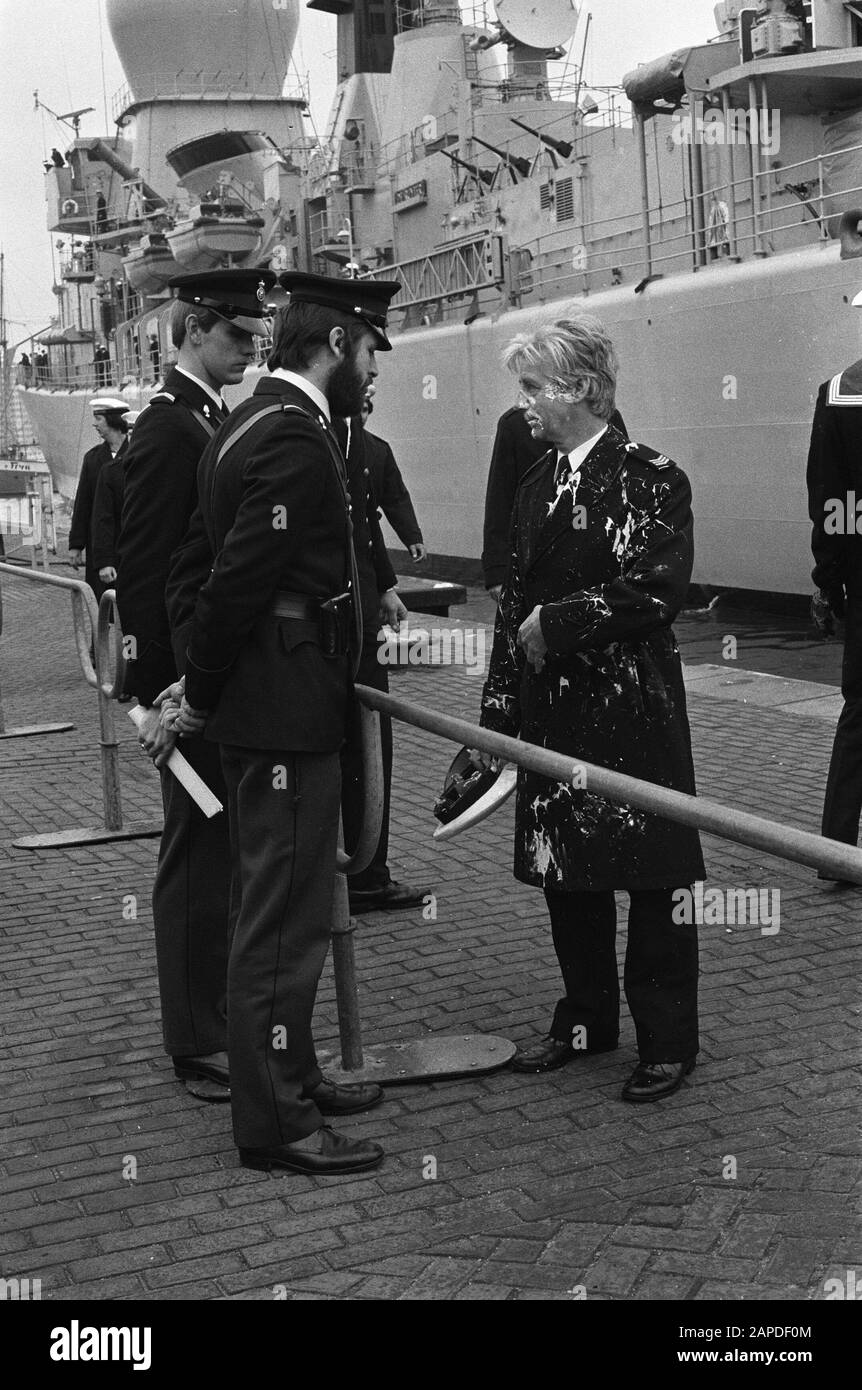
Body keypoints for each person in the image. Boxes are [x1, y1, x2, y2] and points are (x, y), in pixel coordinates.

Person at [167, 271, 401, 1176]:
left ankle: (293, 1072)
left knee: (274, 909)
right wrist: (208, 685)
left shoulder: (242, 423)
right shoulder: (298, 439)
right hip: (285, 716)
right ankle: (279, 1125)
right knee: (282, 924)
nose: (376, 364)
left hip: (266, 706)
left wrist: (208, 680)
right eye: (372, 346)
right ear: (337, 342)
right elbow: (231, 584)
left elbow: (193, 567)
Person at [475, 313, 705, 1103]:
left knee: (653, 880)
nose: (524, 404)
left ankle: (668, 1042)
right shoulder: (538, 483)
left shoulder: (652, 476)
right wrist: (493, 725)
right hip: (553, 716)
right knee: (567, 876)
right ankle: (584, 1023)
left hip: (631, 711)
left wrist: (563, 622)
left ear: (578, 389)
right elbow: (512, 616)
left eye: (533, 387)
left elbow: (657, 592)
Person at [117, 268, 273, 1103]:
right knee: (195, 857)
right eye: (236, 336)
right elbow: (144, 574)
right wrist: (156, 699)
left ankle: (211, 1020)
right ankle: (194, 1039)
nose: (249, 349)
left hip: (203, 681)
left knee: (220, 857)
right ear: (193, 330)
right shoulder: (171, 430)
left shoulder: (208, 418)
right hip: (184, 691)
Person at [338, 398, 429, 914]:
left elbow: (366, 520)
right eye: (366, 360)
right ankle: (361, 877)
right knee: (364, 747)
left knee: (369, 748)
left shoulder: (358, 442)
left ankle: (363, 871)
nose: (372, 378)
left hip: (356, 613)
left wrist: (386, 586)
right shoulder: (324, 434)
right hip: (337, 626)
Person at [806, 318, 862, 867]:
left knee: (858, 716)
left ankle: (836, 848)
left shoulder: (840, 392)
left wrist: (830, 582)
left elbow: (829, 500)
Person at [482, 401, 627, 601]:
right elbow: (501, 498)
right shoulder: (516, 425)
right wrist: (497, 571)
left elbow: (623, 492)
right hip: (539, 563)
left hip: (597, 560)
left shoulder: (605, 418)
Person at [68, 397, 130, 601]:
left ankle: (129, 636)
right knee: (104, 609)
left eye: (98, 418)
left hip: (130, 542)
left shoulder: (139, 454)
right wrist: (76, 545)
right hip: (101, 544)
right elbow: (83, 503)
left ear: (113, 420)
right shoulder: (93, 459)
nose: (94, 424)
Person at [362, 397, 426, 562]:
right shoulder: (326, 443)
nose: (360, 417)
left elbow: (395, 497)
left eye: (364, 410)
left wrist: (412, 537)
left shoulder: (379, 450)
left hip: (368, 537)